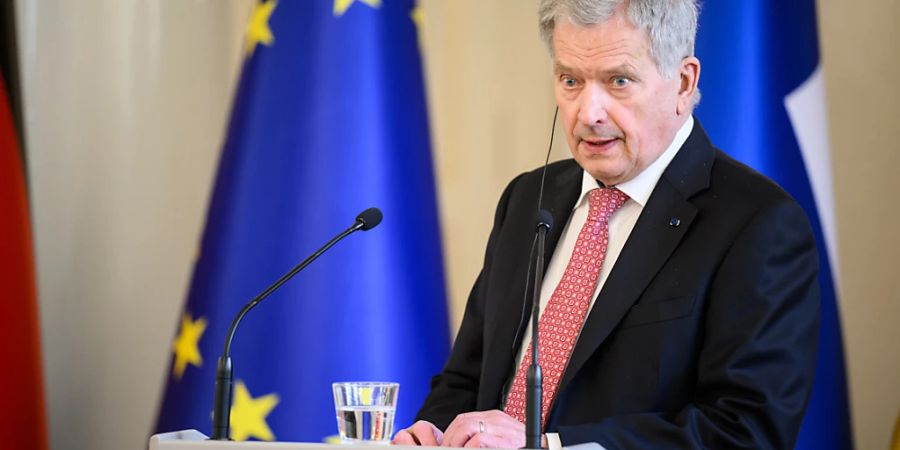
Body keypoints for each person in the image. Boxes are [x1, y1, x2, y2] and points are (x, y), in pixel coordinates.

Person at [393, 0, 820, 448]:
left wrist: (552, 446)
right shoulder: (526, 200)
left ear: (683, 82)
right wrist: (435, 433)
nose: (588, 113)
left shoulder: (757, 224)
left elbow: (746, 429)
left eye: (618, 81)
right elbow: (468, 378)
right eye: (570, 81)